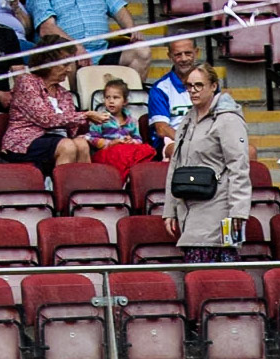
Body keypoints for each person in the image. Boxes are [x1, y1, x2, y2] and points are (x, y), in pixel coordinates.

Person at [162, 64, 250, 263]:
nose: (193, 90)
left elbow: (239, 166)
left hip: (220, 208)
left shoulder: (228, 120)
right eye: (189, 86)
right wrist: (169, 209)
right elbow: (175, 164)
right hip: (189, 206)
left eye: (199, 85)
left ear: (213, 86)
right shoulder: (187, 119)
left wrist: (239, 211)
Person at [0, 39, 93, 177]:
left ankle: (84, 193)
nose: (70, 69)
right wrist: (85, 116)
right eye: (65, 64)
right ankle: (62, 194)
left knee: (81, 144)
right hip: (24, 141)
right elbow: (45, 119)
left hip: (56, 139)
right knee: (67, 145)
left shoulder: (64, 93)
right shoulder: (27, 82)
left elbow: (71, 127)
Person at [28, 0, 148, 76]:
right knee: (65, 59)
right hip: (68, 52)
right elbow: (47, 28)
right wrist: (76, 47)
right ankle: (74, 108)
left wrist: (130, 29)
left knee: (141, 51)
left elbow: (119, 8)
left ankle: (129, 106)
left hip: (103, 49)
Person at [146, 35, 198, 153]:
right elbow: (162, 129)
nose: (184, 59)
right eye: (178, 54)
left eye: (188, 53)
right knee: (183, 150)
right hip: (172, 142)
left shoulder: (209, 83)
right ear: (169, 56)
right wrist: (189, 142)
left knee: (248, 150)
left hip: (204, 138)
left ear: (197, 52)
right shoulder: (160, 89)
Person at [89, 76, 152, 173]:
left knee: (147, 150)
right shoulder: (100, 119)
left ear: (125, 101)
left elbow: (139, 139)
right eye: (107, 97)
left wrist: (131, 141)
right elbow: (91, 138)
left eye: (116, 97)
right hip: (108, 154)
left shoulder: (132, 121)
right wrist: (110, 143)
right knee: (120, 154)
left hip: (126, 152)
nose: (111, 101)